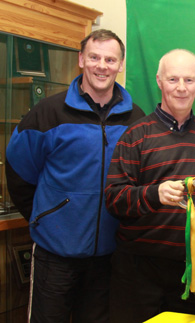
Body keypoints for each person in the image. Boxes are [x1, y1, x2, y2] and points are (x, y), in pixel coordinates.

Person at [5, 29, 145, 323]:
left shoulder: (136, 119)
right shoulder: (48, 112)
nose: (101, 66)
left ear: (120, 65)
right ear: (81, 59)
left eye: (110, 59)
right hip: (55, 255)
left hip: (109, 256)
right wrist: (44, 217)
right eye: (94, 57)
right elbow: (19, 171)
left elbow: (138, 183)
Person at [104, 49, 195, 323]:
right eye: (173, 79)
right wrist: (154, 194)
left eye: (189, 80)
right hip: (138, 270)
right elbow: (113, 199)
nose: (181, 88)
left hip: (194, 269)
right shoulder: (135, 135)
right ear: (159, 80)